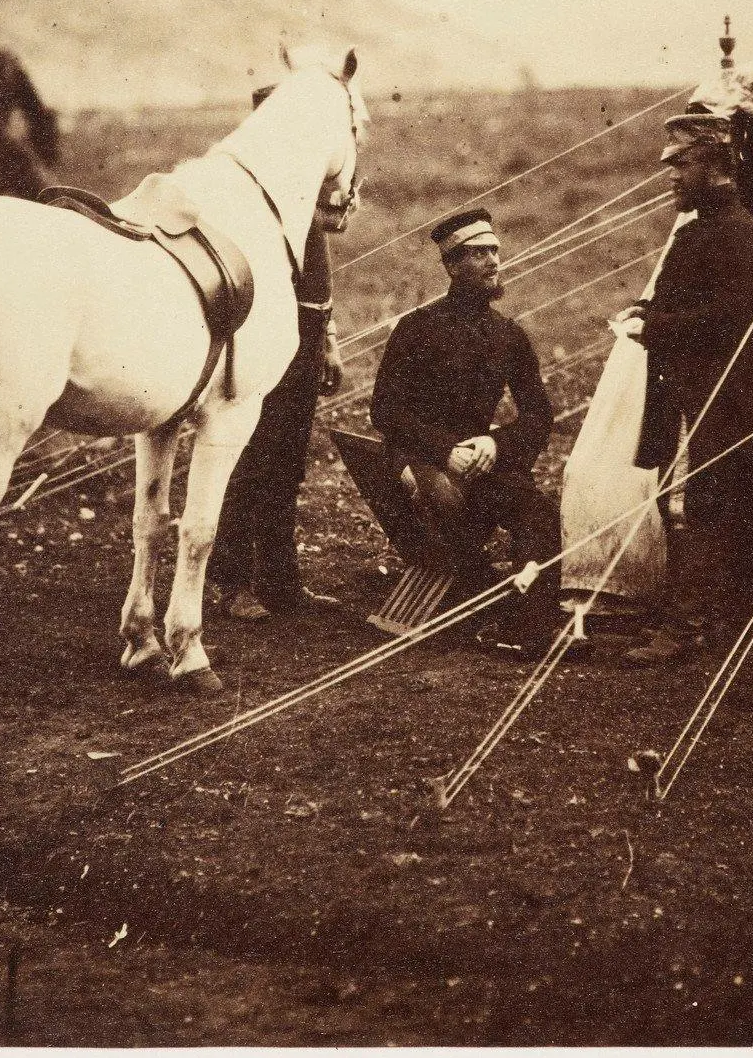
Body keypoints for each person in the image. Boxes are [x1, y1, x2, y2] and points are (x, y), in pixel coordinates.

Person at [618, 110, 753, 666]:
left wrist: (653, 327)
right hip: (692, 393)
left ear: (714, 165)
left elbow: (728, 318)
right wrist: (650, 309)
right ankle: (691, 621)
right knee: (689, 504)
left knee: (700, 508)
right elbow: (693, 301)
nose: (671, 178)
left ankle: (688, 629)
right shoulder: (704, 226)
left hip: (718, 396)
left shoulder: (734, 230)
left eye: (682, 165)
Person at [369, 207, 560, 651]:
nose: (494, 261)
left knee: (538, 512)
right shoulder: (417, 329)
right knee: (447, 503)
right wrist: (442, 450)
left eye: (495, 250)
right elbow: (384, 410)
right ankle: (484, 598)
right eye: (478, 253)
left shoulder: (509, 335)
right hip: (422, 460)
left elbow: (538, 415)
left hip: (477, 461)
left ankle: (527, 632)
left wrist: (495, 440)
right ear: (452, 266)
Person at [208, 86, 346, 619]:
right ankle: (233, 580)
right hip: (268, 340)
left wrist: (328, 340)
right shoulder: (253, 192)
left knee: (287, 462)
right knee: (250, 456)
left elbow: (321, 262)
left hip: (308, 336)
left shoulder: (304, 181)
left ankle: (281, 578)